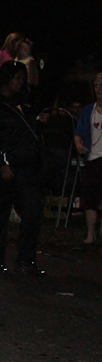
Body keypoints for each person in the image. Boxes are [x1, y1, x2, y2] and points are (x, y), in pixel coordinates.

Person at [0, 60, 48, 275]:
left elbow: (26, 132)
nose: (19, 82)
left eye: (22, 79)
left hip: (25, 166)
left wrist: (38, 122)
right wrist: (1, 163)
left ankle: (26, 260)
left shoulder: (23, 104)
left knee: (32, 210)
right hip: (2, 166)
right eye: (16, 78)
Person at [73, 72, 102, 244]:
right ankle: (90, 234)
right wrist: (79, 145)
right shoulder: (88, 111)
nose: (99, 89)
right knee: (90, 198)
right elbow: (78, 133)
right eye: (96, 85)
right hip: (92, 159)